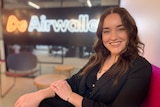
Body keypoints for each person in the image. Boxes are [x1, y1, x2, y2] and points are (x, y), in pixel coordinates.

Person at [14, 7, 152, 107]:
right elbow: (73, 81)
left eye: (120, 29)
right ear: (101, 35)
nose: (113, 37)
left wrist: (70, 96)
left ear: (130, 31)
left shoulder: (140, 67)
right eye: (107, 31)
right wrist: (39, 94)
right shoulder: (98, 60)